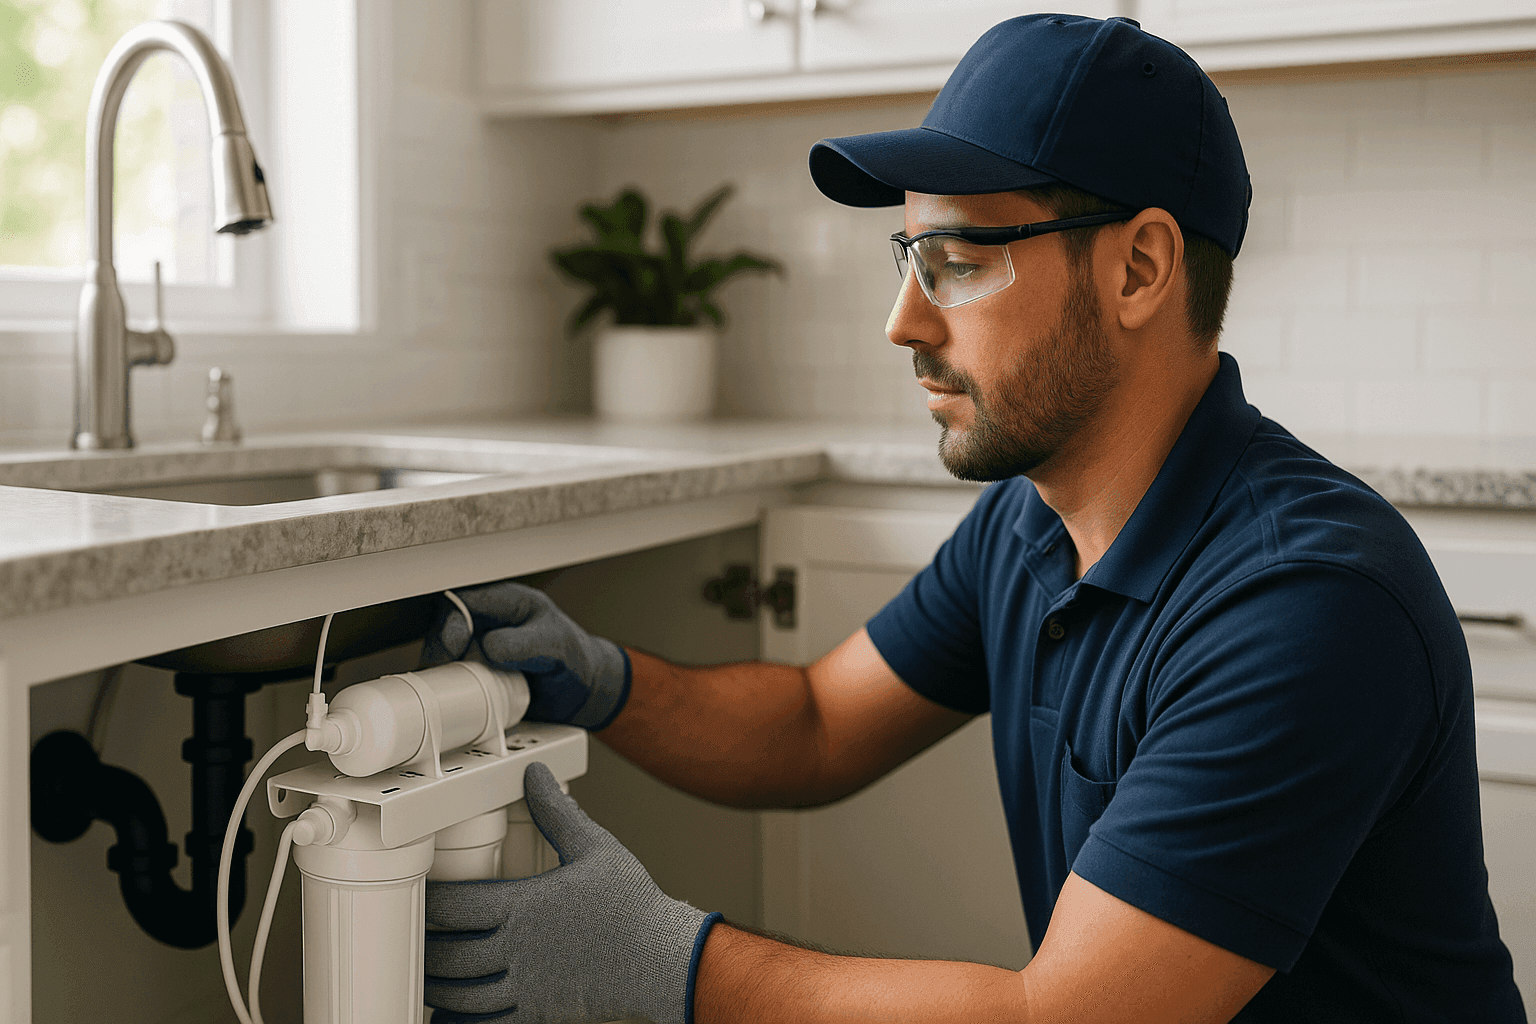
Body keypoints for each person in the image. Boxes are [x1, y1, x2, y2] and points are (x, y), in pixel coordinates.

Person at [420, 14, 1526, 1024]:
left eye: (956, 262)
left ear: (1140, 267)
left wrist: (672, 965)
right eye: (910, 258)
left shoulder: (1304, 604)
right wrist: (604, 678)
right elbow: (813, 723)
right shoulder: (1031, 523)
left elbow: (1067, 1018)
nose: (903, 322)